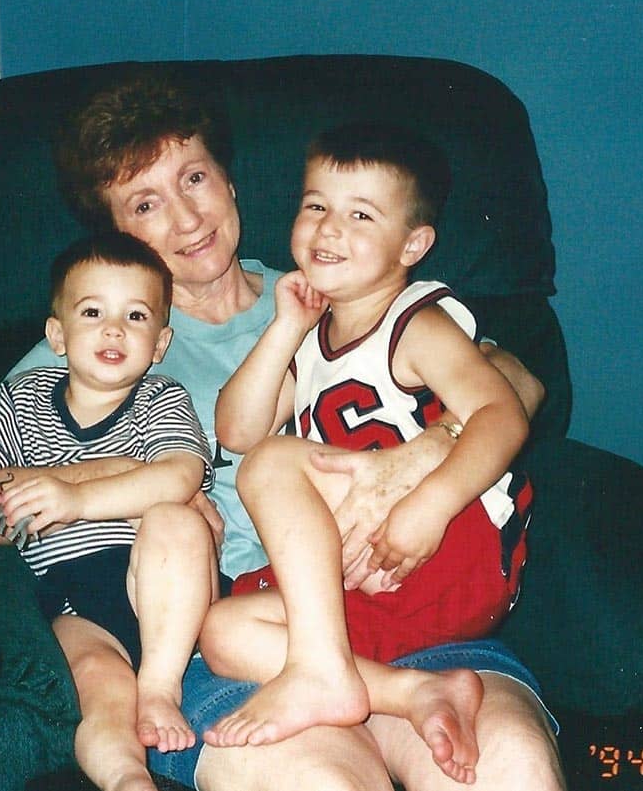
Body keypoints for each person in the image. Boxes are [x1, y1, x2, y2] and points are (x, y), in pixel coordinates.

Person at [0, 74, 565, 791]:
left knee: (514, 768)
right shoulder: (99, 339)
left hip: (411, 594)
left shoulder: (330, 281)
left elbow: (520, 381)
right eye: (145, 203)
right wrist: (141, 490)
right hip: (241, 632)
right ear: (115, 233)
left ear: (230, 180)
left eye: (195, 177)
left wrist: (422, 454)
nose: (188, 217)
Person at [201, 124, 534, 784]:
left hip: (447, 540)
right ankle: (405, 691)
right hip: (373, 575)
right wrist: (285, 327)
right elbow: (237, 428)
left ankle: (324, 671)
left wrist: (430, 506)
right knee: (224, 631)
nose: (329, 228)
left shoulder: (418, 322)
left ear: (413, 244)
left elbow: (501, 415)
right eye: (316, 205)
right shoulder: (312, 335)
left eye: (360, 214)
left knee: (273, 464)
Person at [0, 231, 220, 791]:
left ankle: (159, 685)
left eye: (135, 316)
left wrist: (76, 499)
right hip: (71, 593)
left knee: (176, 518)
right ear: (57, 334)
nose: (113, 329)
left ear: (159, 343)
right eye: (92, 311)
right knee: (95, 683)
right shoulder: (12, 400)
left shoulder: (161, 398)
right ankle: (127, 778)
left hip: (164, 579)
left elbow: (181, 475)